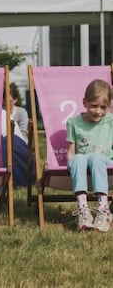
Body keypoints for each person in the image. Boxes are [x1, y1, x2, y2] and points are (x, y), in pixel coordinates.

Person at [67, 79, 113, 232]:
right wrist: (70, 163)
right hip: (82, 164)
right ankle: (83, 209)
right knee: (78, 158)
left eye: (103, 107)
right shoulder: (73, 122)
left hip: (104, 163)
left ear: (109, 107)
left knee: (96, 157)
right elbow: (71, 151)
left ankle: (103, 208)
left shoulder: (110, 121)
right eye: (94, 106)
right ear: (84, 102)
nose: (98, 111)